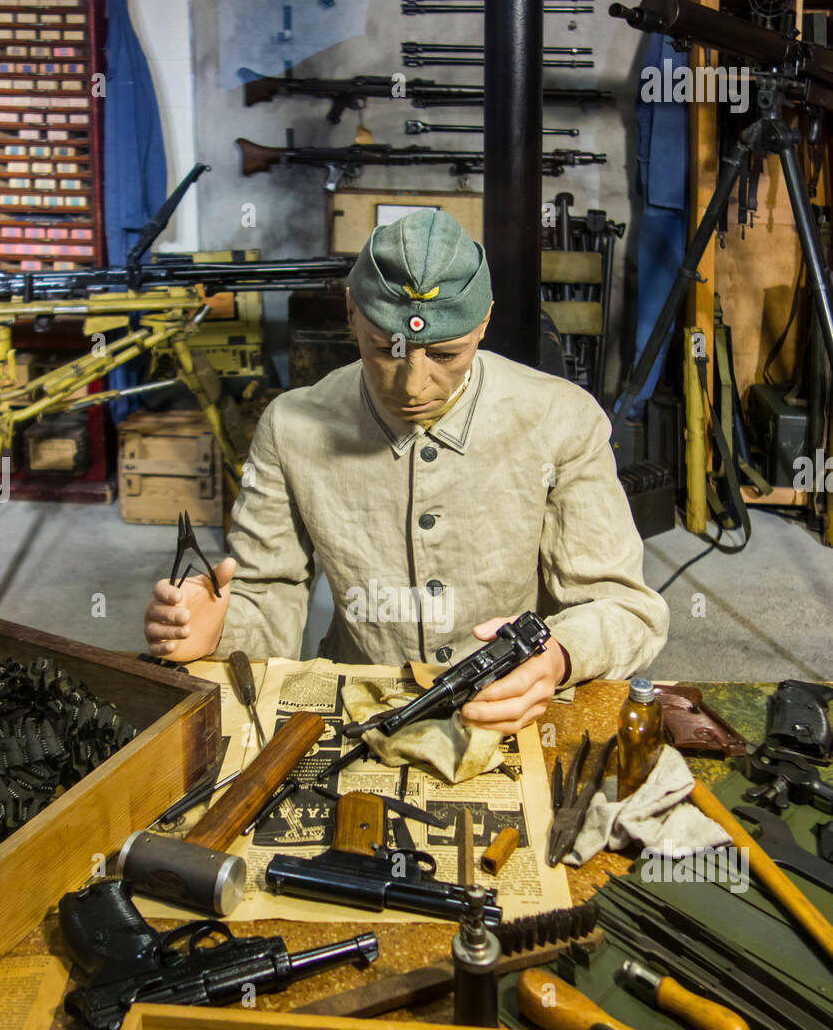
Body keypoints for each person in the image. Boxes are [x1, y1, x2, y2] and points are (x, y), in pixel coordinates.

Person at [144, 209, 668, 733]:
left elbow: (626, 609)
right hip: (360, 702)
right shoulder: (291, 427)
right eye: (385, 349)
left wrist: (557, 658)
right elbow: (267, 593)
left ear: (484, 321)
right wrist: (217, 629)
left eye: (446, 353)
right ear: (351, 312)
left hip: (508, 704)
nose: (414, 386)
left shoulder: (561, 418)